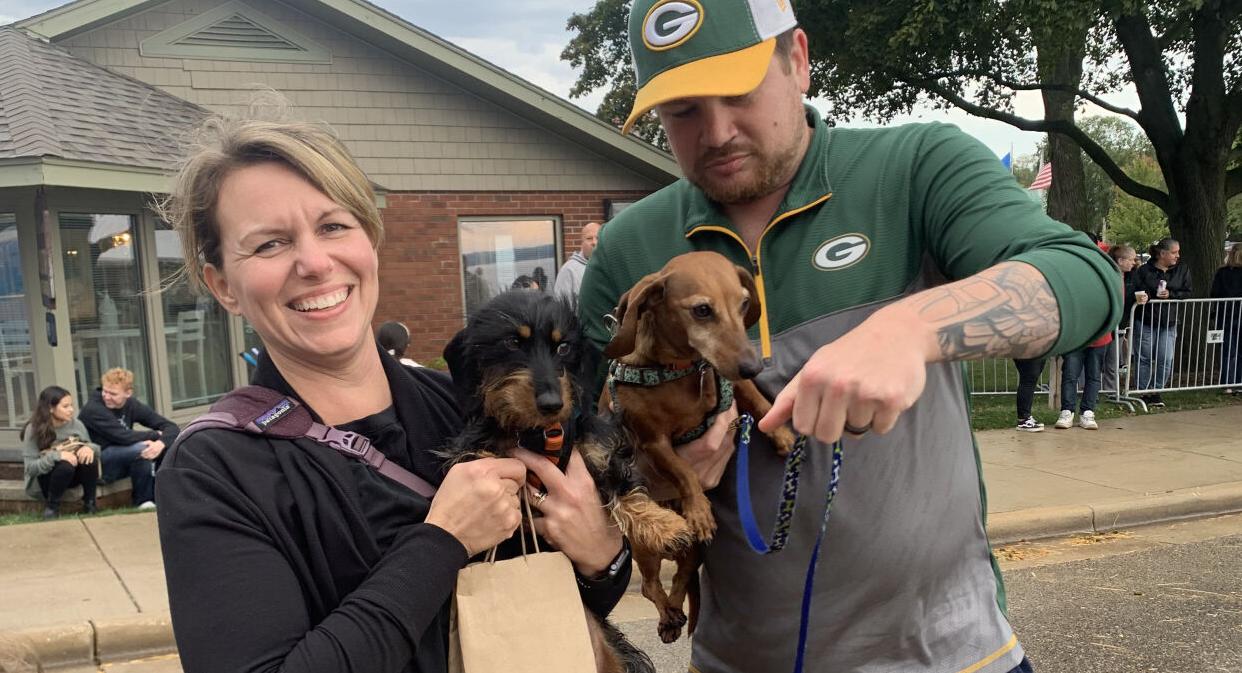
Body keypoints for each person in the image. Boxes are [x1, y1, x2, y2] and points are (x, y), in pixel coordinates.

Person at [577, 2, 1119, 671]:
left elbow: (1086, 277)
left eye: (738, 89)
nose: (716, 131)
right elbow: (576, 449)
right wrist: (646, 481)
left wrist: (910, 326)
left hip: (948, 655)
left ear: (798, 59)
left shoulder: (916, 164)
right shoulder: (629, 251)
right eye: (683, 111)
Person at [155, 110, 628, 673]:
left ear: (370, 239)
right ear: (222, 286)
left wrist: (604, 557)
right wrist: (442, 541)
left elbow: (559, 602)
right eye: (269, 245)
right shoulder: (215, 469)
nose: (313, 263)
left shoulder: (467, 403)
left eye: (333, 226)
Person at [78, 368, 180, 510]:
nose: (106, 396)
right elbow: (122, 436)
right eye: (105, 391)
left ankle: (149, 500)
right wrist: (156, 436)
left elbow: (171, 427)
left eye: (112, 393)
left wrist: (161, 443)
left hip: (127, 454)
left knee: (160, 448)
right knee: (142, 448)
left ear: (128, 393)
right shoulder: (93, 409)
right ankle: (147, 500)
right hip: (101, 460)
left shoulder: (131, 404)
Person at [21, 386, 99, 519]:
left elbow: (95, 448)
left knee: (89, 460)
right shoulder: (33, 429)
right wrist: (57, 456)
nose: (71, 410)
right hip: (46, 481)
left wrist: (89, 448)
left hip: (73, 476)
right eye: (65, 406)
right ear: (51, 408)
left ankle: (90, 503)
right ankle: (52, 508)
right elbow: (31, 468)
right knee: (65, 465)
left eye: (71, 405)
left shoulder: (76, 424)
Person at [1131, 238, 1191, 406]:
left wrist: (1171, 295)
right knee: (1144, 357)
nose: (1177, 256)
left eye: (1178, 252)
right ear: (1162, 253)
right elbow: (1136, 289)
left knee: (1166, 358)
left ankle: (1156, 391)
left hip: (1169, 321)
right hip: (1146, 319)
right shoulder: (1144, 270)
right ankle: (1142, 391)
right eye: (1174, 252)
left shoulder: (1182, 270)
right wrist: (1147, 296)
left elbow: (1187, 292)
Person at [1102, 244, 1139, 393]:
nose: (1134, 262)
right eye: (1131, 259)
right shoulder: (1108, 275)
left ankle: (1111, 390)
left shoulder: (1131, 277)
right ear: (1120, 260)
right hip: (1106, 323)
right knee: (1097, 359)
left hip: (1121, 323)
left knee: (1113, 360)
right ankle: (1089, 389)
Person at [1210, 243, 1242, 393]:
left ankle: (1228, 383)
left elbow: (1215, 293)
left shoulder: (1222, 272)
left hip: (1226, 314)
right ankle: (1236, 381)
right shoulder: (1223, 272)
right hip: (1232, 314)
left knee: (1228, 350)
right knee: (1234, 350)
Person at [553, 221, 601, 310]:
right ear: (581, 243)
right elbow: (560, 309)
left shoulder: (609, 267)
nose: (594, 242)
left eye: (598, 238)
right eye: (589, 238)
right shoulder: (569, 270)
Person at [1013, 358, 1048, 431]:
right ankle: (1023, 419)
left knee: (1032, 376)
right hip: (1026, 349)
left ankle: (1026, 417)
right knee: (1028, 377)